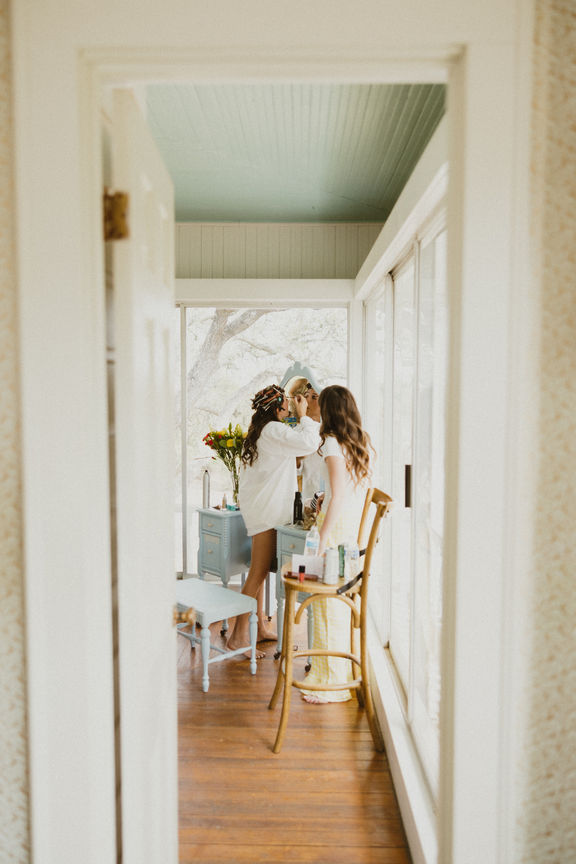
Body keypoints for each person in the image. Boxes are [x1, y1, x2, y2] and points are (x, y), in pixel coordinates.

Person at [226, 383, 321, 655]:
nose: (288, 412)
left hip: (261, 509)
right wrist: (305, 415)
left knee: (261, 573)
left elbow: (295, 454)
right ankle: (238, 637)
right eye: (286, 408)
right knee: (257, 573)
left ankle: (260, 630)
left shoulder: (263, 432)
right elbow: (309, 442)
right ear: (277, 409)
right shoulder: (274, 430)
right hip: (267, 512)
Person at [300, 384, 373, 703]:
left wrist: (322, 536)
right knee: (335, 603)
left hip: (337, 527)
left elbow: (338, 496)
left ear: (328, 412)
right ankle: (337, 672)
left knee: (324, 600)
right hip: (351, 528)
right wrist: (324, 498)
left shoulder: (330, 443)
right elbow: (344, 491)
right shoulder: (357, 440)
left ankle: (329, 680)